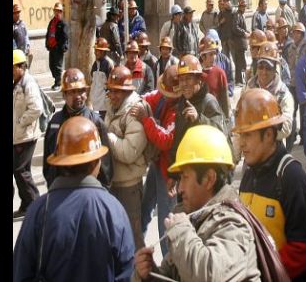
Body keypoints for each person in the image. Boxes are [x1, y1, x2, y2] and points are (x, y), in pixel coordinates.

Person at [133, 124, 260, 281]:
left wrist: (181, 232)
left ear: (209, 179)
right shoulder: (193, 216)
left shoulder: (234, 224)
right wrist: (150, 274)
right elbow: (176, 275)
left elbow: (211, 276)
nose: (179, 188)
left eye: (185, 177)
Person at [13, 116, 135, 281]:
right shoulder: (113, 209)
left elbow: (20, 273)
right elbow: (126, 271)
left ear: (60, 163)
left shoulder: (39, 210)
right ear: (97, 162)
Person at [236, 88, 306, 281]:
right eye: (240, 135)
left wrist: (263, 271)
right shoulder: (249, 175)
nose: (242, 143)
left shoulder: (292, 177)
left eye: (248, 135)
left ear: (269, 135)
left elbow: (305, 248)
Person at [131, 64, 180, 257]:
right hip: (157, 164)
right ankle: (138, 254)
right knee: (145, 207)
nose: (165, 96)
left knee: (165, 219)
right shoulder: (162, 97)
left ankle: (169, 262)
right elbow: (147, 98)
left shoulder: (179, 111)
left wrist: (146, 120)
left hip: (169, 171)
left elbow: (165, 139)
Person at [44, 68, 113, 190]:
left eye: (81, 91)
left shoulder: (95, 122)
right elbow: (48, 161)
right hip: (62, 189)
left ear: (86, 93)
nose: (77, 96)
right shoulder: (55, 122)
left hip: (89, 190)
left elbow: (106, 165)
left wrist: (100, 191)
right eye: (72, 92)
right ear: (64, 95)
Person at [104, 65, 148, 250]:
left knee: (133, 239)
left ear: (127, 91)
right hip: (113, 182)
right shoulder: (113, 106)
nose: (112, 95)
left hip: (129, 187)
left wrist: (108, 136)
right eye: (111, 91)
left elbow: (129, 152)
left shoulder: (134, 111)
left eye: (117, 91)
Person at [13, 49, 43, 217]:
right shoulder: (16, 82)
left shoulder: (28, 83)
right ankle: (26, 205)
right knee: (21, 171)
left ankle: (36, 206)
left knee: (20, 170)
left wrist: (20, 122)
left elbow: (36, 108)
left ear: (20, 67)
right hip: (18, 136)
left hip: (26, 135)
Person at [45, 2, 69, 89]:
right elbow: (48, 33)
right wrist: (47, 43)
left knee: (58, 66)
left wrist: (62, 47)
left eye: (59, 11)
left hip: (58, 48)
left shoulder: (63, 23)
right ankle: (57, 80)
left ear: (61, 12)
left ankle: (58, 83)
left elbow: (65, 36)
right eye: (56, 11)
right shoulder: (52, 22)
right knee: (51, 65)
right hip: (51, 47)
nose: (57, 13)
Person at [89, 37, 115, 116]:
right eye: (95, 50)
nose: (95, 53)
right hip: (96, 100)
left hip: (105, 101)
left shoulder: (109, 64)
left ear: (104, 51)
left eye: (98, 51)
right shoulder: (95, 64)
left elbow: (112, 83)